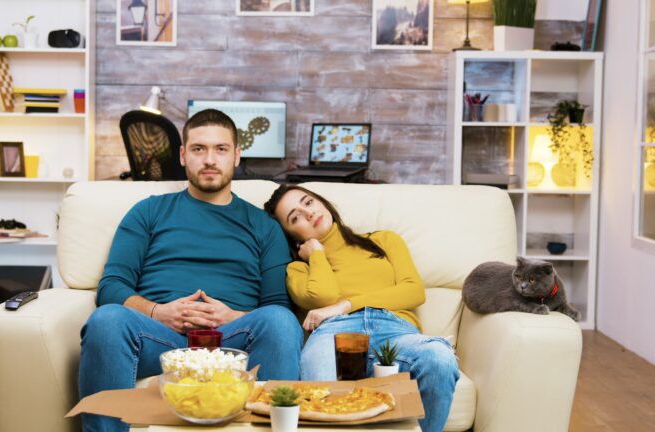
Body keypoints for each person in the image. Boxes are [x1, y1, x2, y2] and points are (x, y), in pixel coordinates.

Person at [78, 109, 302, 432]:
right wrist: (158, 312)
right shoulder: (149, 212)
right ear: (183, 155)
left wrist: (232, 318)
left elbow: (279, 307)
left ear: (237, 155)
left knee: (281, 323)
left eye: (221, 149)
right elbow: (111, 286)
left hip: (233, 342)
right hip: (159, 338)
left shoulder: (264, 227)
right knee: (107, 319)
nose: (209, 159)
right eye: (199, 149)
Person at [263, 184, 459, 432]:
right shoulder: (298, 269)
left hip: (395, 330)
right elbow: (324, 295)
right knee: (322, 385)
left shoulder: (383, 240)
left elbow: (413, 291)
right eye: (295, 217)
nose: (308, 213)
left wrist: (346, 305)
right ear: (291, 235)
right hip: (333, 335)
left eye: (308, 203)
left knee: (439, 358)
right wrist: (316, 255)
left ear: (322, 202)